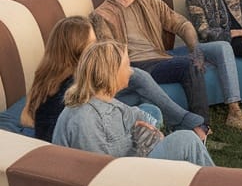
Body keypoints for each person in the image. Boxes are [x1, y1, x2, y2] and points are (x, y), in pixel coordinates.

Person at [93, 0, 242, 137]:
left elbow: (182, 24)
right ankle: (201, 128)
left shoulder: (149, 2)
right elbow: (109, 56)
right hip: (136, 65)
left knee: (220, 48)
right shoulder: (102, 15)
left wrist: (195, 50)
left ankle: (234, 109)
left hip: (161, 56)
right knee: (188, 66)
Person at [21, 14, 205, 143]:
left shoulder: (47, 72)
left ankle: (185, 122)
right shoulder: (78, 81)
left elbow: (26, 119)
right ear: (77, 48)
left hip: (69, 132)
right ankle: (188, 124)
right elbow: (96, 114)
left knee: (139, 84)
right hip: (76, 141)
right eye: (93, 43)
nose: (97, 47)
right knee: (149, 108)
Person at [53, 41, 214, 166]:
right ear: (110, 73)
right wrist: (140, 148)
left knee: (154, 114)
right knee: (185, 140)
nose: (131, 71)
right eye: (126, 65)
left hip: (129, 166)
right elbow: (100, 172)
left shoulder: (108, 101)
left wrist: (150, 132)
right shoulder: (85, 118)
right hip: (120, 185)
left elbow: (141, 117)